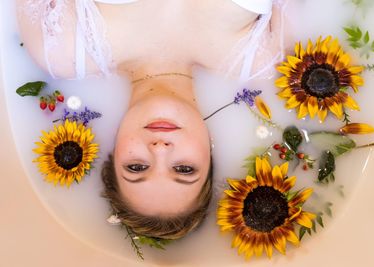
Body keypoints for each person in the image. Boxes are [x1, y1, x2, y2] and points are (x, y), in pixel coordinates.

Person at [17, 0, 287, 240]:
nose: (160, 149)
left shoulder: (64, 50)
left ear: (115, 146)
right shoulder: (258, 58)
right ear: (210, 146)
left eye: (136, 167)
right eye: (184, 169)